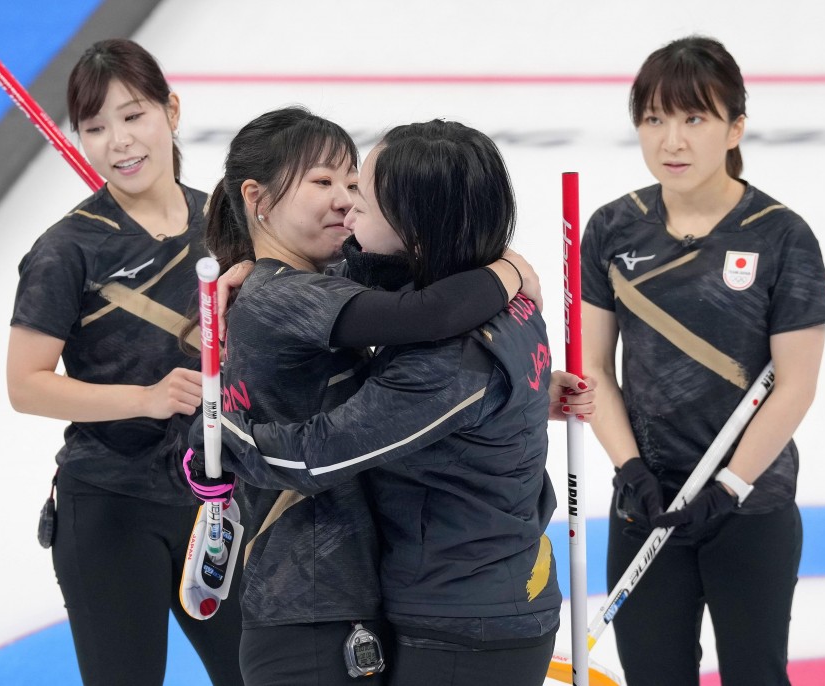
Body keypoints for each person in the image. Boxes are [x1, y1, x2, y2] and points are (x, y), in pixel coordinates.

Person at [181, 106, 591, 686]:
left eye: (358, 191)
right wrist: (512, 270)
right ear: (258, 197)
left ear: (415, 226)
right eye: (326, 183)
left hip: (455, 614)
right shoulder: (479, 304)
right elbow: (408, 306)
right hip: (341, 603)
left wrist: (219, 437)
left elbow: (324, 446)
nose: (348, 205)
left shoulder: (451, 347)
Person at [580, 36, 825, 685]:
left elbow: (796, 385)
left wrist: (729, 487)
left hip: (750, 510)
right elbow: (597, 371)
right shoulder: (613, 229)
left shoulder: (781, 235)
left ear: (734, 127)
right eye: (655, 119)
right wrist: (630, 469)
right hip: (648, 505)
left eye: (694, 118)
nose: (672, 140)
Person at [5, 39, 245, 685]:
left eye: (133, 115)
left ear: (171, 110)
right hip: (110, 505)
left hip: (220, 501)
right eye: (96, 126)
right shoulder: (65, 251)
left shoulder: (226, 224)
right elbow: (25, 386)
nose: (118, 141)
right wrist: (144, 397)